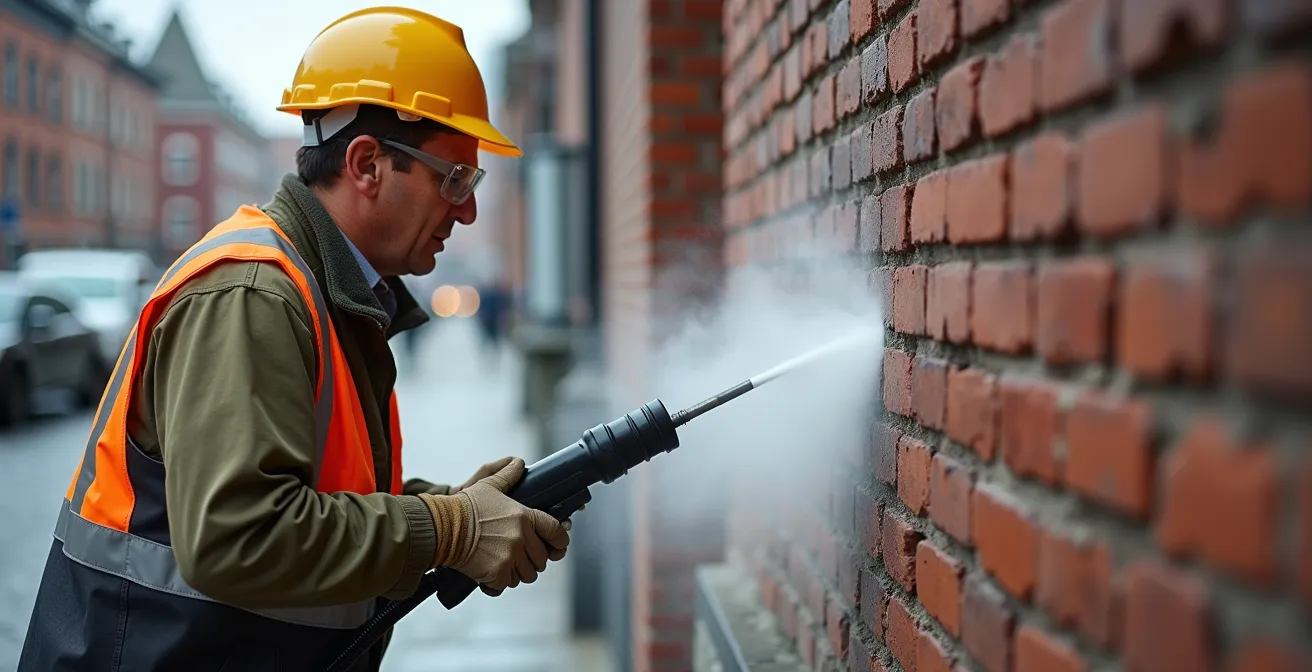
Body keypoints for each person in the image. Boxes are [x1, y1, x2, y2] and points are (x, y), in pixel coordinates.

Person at [18, 8, 570, 671]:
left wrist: (451, 508)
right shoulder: (252, 295)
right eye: (454, 179)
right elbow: (238, 537)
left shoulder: (325, 290)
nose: (469, 209)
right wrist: (447, 530)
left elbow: (317, 494)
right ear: (367, 164)